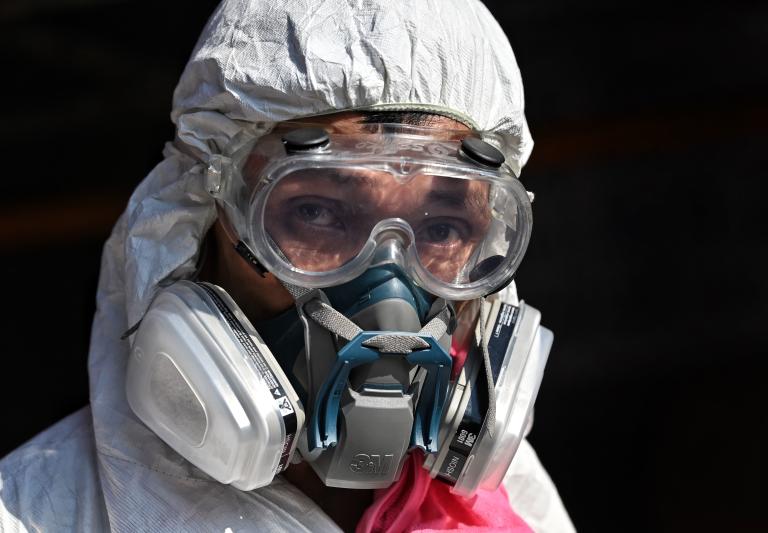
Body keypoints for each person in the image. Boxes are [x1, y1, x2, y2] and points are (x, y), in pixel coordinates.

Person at [0, 1, 574, 531]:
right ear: (205, 214)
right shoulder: (34, 512)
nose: (388, 290)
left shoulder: (514, 504)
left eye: (443, 227)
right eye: (317, 212)